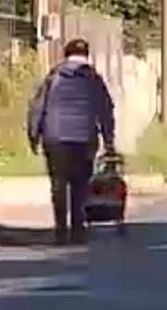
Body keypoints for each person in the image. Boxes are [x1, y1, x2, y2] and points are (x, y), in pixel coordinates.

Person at [26, 38, 118, 245]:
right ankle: (78, 227)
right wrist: (109, 139)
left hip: (55, 137)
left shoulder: (53, 76)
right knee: (80, 184)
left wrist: (33, 134)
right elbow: (105, 110)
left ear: (65, 55)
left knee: (58, 184)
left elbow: (37, 107)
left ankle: (60, 228)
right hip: (84, 138)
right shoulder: (93, 79)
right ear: (87, 55)